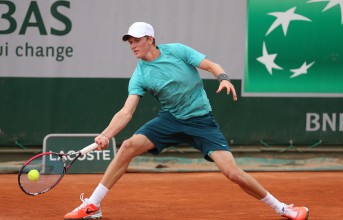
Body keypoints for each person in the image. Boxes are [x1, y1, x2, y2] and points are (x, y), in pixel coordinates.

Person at [64, 22, 309, 220]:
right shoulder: (140, 74)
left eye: (137, 40)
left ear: (150, 39)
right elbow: (126, 112)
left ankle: (283, 208)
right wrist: (107, 134)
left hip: (202, 121)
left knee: (233, 173)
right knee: (127, 146)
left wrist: (222, 77)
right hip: (170, 120)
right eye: (129, 41)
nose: (133, 45)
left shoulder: (177, 51)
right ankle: (93, 205)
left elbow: (211, 65)